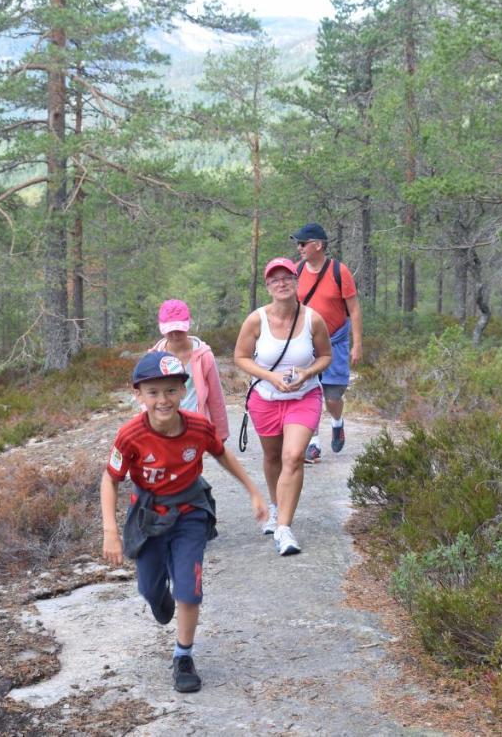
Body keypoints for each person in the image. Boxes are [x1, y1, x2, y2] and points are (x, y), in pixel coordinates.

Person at [100, 351, 268, 693]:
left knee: (189, 592)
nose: (163, 400)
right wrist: (110, 532)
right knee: (149, 588)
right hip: (149, 516)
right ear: (139, 395)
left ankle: (183, 656)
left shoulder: (197, 427)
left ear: (182, 390)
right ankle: (159, 598)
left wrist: (253, 490)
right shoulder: (130, 435)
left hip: (191, 512)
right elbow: (110, 479)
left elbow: (221, 453)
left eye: (171, 390)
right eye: (153, 392)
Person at [233, 256, 332, 556]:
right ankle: (276, 508)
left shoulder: (313, 319)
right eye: (275, 279)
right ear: (268, 285)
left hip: (305, 397)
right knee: (273, 456)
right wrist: (270, 377)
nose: (282, 283)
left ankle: (284, 529)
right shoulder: (256, 320)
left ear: (296, 280)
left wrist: (306, 373)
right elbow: (241, 357)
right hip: (265, 397)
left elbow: (325, 356)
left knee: (294, 456)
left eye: (287, 277)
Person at [291, 222, 363, 463]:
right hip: (305, 342)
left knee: (332, 396)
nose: (299, 247)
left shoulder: (339, 272)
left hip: (336, 341)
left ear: (318, 245)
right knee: (306, 391)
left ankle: (337, 422)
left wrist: (357, 344)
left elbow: (353, 308)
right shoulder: (296, 271)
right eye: (298, 244)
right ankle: (313, 443)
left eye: (303, 243)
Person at [149, 299, 230, 441]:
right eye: (170, 330)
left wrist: (221, 432)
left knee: (192, 462)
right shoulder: (153, 357)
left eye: (179, 329)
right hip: (162, 427)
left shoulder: (204, 356)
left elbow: (215, 397)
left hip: (194, 427)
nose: (175, 334)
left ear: (188, 324)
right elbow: (147, 396)